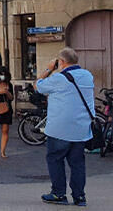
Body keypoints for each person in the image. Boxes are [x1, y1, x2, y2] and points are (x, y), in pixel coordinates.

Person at [36, 47, 95, 206]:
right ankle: (79, 196)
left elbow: (39, 86)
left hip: (59, 129)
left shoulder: (58, 78)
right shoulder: (88, 76)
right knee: (77, 163)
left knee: (55, 159)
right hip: (81, 129)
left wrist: (49, 68)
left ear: (61, 62)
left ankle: (58, 194)